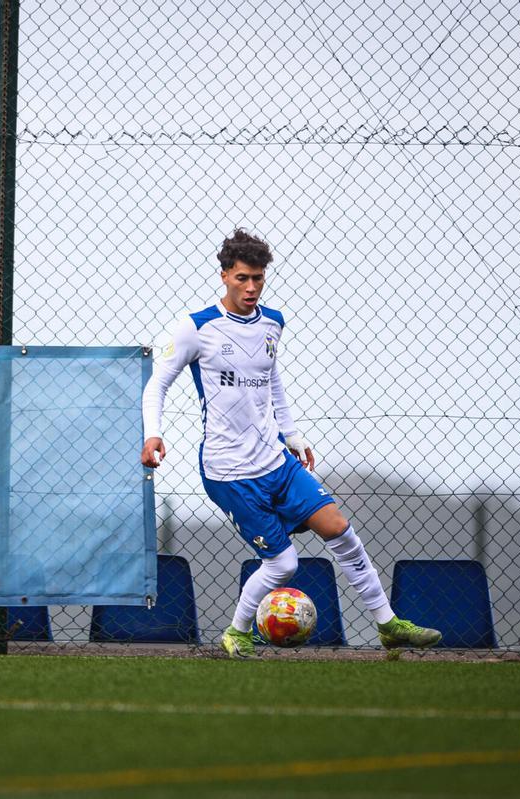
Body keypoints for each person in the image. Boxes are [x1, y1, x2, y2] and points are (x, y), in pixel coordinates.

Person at [140, 229, 442, 659]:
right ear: (224, 275)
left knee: (338, 528)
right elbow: (158, 386)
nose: (250, 287)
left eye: (258, 278)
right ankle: (237, 633)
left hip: (276, 461)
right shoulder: (196, 327)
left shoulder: (272, 322)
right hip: (230, 472)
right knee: (283, 565)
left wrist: (291, 433)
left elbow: (270, 377)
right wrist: (154, 432)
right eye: (242, 277)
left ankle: (388, 625)